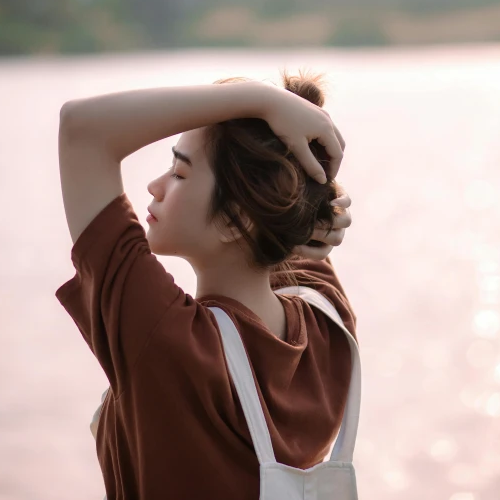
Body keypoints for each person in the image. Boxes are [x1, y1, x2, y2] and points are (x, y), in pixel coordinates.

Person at [55, 70, 357, 499]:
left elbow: (82, 130)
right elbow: (299, 224)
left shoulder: (171, 342)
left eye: (179, 173)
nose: (154, 186)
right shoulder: (328, 321)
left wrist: (259, 100)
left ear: (238, 219)